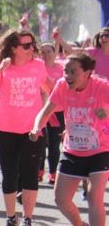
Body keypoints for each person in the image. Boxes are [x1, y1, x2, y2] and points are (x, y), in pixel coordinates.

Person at [30, 52, 109, 226]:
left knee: (94, 197)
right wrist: (36, 127)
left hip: (100, 150)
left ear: (87, 73)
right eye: (66, 71)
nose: (68, 76)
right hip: (73, 149)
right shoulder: (62, 86)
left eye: (73, 72)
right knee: (61, 199)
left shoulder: (101, 87)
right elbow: (45, 111)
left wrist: (106, 112)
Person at [0, 28, 52, 226]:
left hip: (31, 129)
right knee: (9, 174)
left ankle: (27, 219)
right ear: (13, 48)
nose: (31, 49)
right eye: (26, 45)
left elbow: (51, 90)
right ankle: (11, 217)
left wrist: (45, 116)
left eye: (32, 45)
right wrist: (1, 68)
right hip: (5, 129)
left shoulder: (38, 66)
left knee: (30, 173)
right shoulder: (1, 65)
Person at [40, 42, 66, 184]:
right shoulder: (37, 68)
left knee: (54, 145)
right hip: (40, 111)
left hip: (58, 112)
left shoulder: (61, 68)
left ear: (54, 52)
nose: (46, 55)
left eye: (49, 51)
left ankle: (53, 173)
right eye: (43, 52)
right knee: (40, 143)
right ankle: (39, 171)